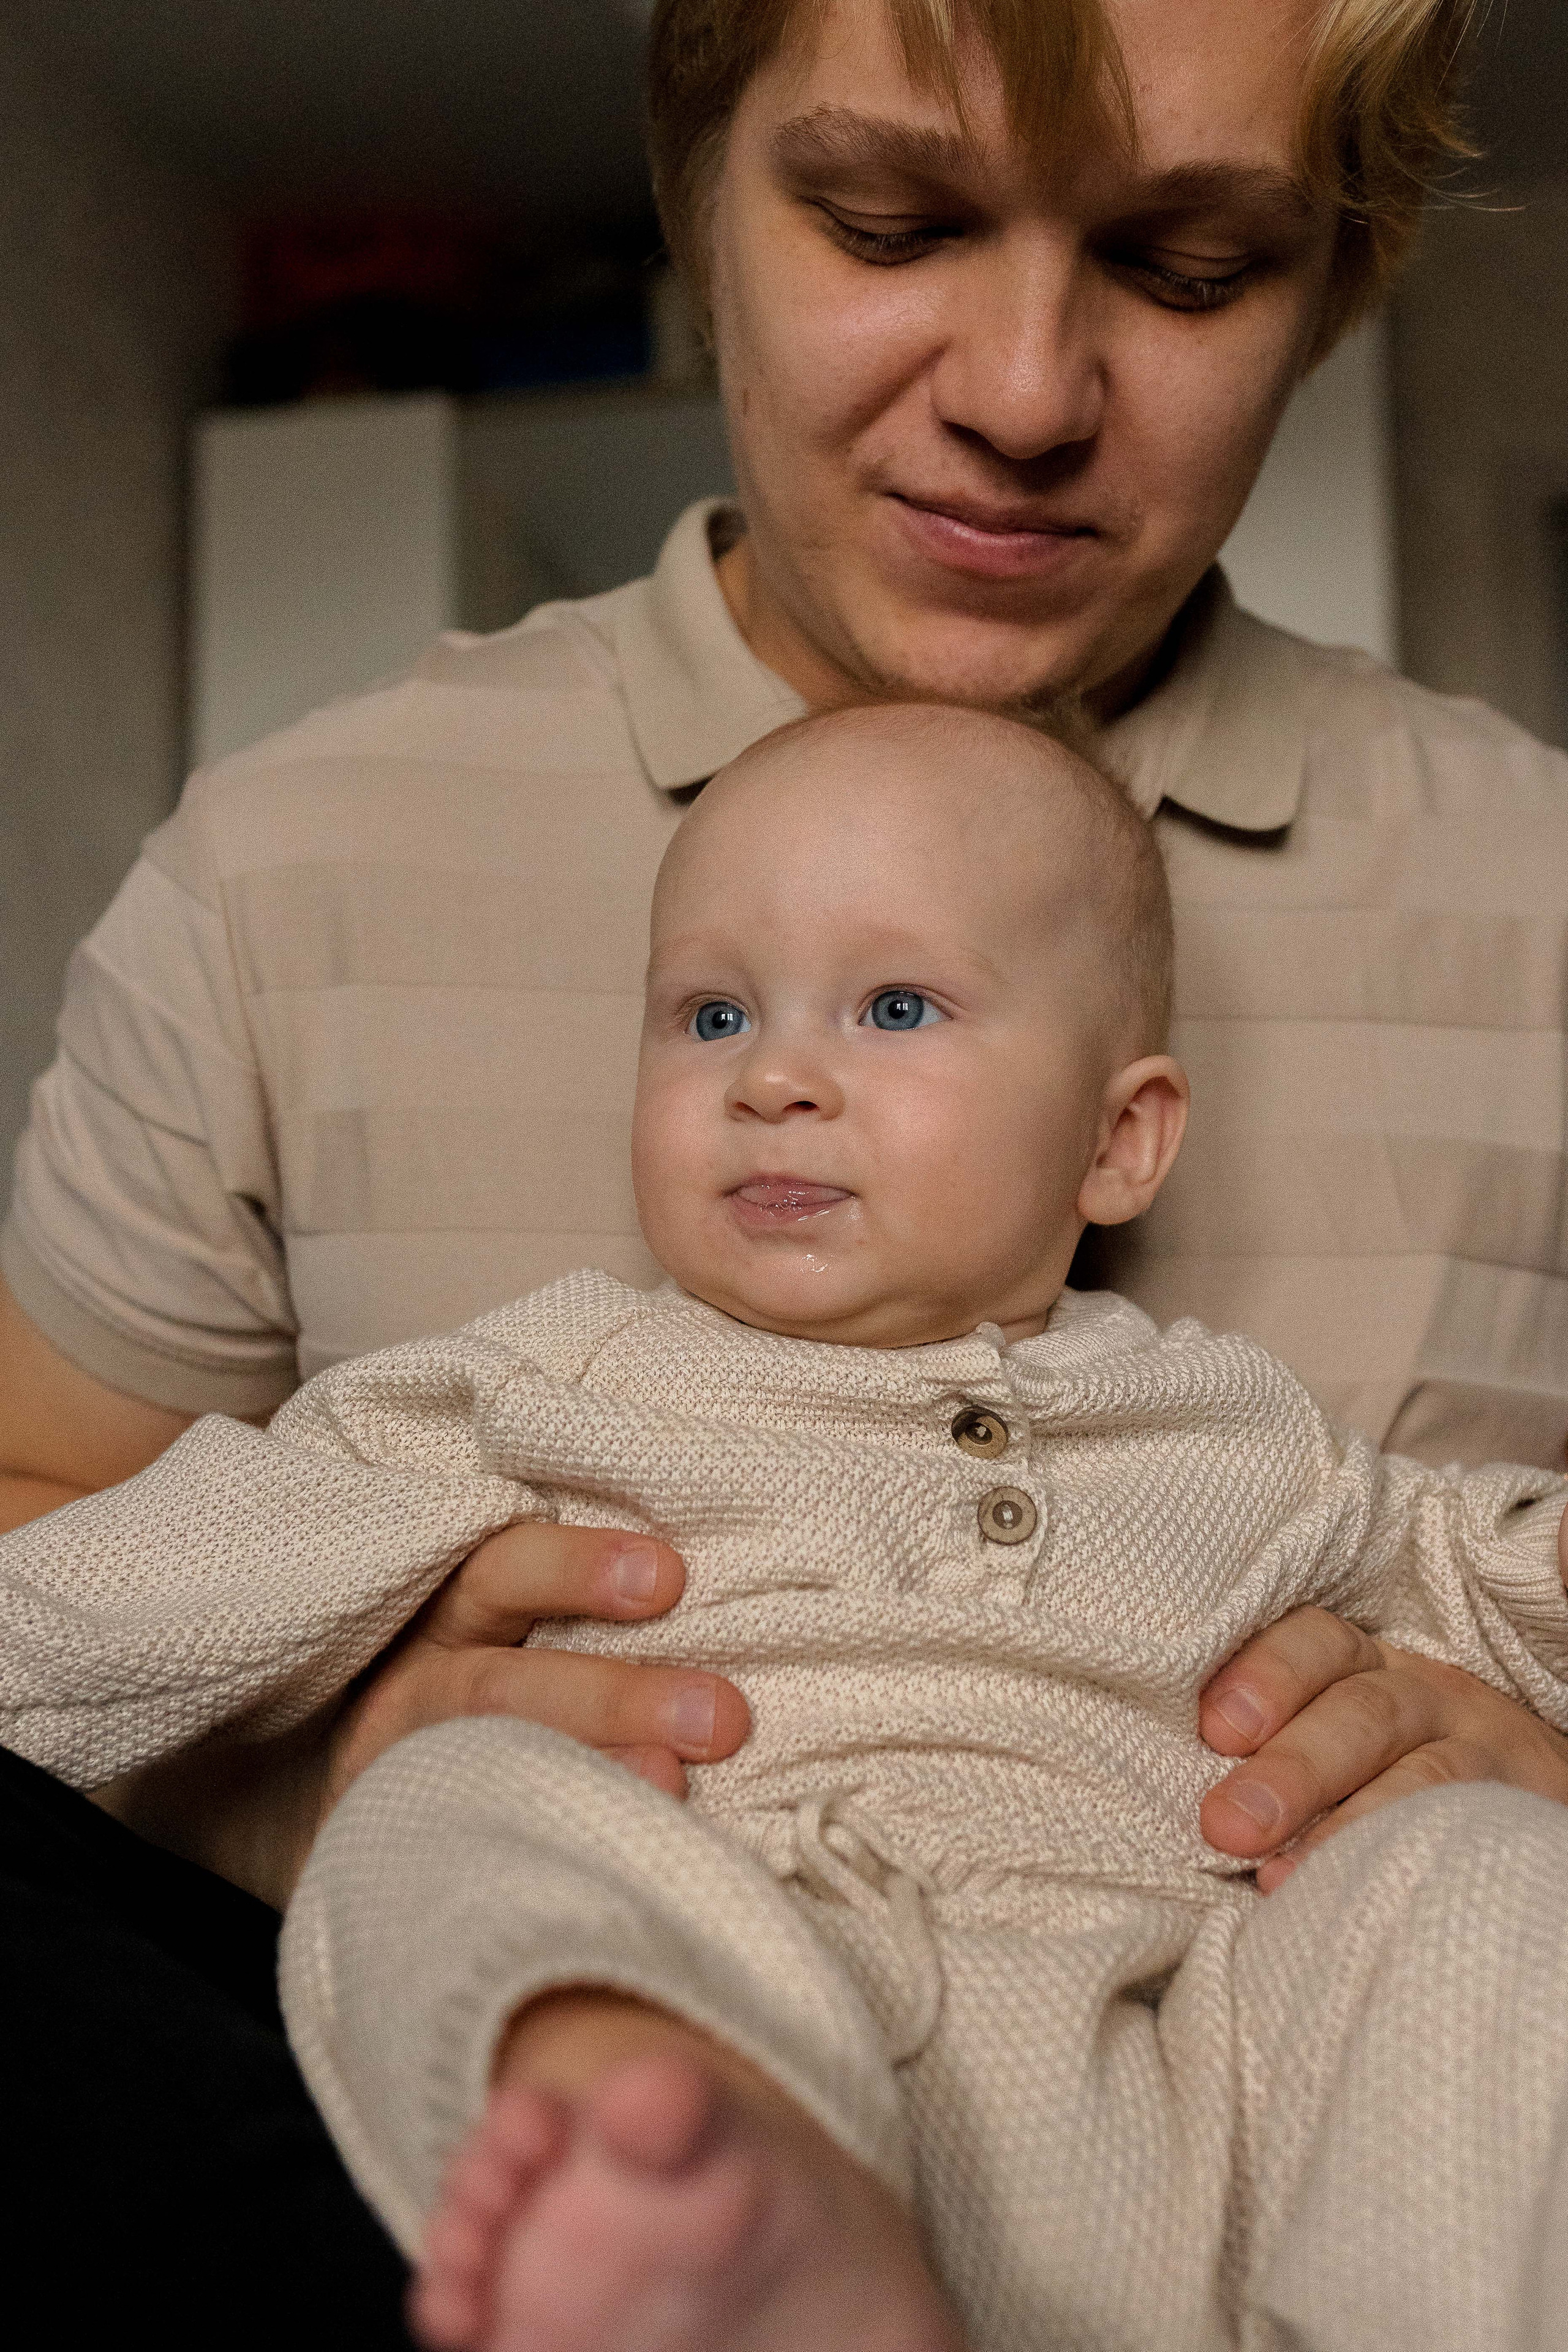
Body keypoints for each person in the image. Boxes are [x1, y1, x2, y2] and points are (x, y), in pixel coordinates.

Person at [1, 0, 1566, 2331]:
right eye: (888, 219)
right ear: (696, 203)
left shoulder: (1540, 880)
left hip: (1261, 2086)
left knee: (1478, 1896)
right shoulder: (284, 865)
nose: (1028, 395)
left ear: (1336, 284)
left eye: (1192, 266)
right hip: (626, 2034)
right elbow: (55, 1576)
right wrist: (311, 1787)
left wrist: (1528, 1778)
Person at [9, 705, 1568, 2352]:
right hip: (760, 1991)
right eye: (709, 1013)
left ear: (1120, 1139)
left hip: (1223, 2073)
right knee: (455, 1800)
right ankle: (720, 2230)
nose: (773, 1079)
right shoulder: (558, 1380)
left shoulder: (1233, 1425)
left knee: (1479, 1870)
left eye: (895, 1007)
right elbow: (163, 1574)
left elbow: (1485, 1566)